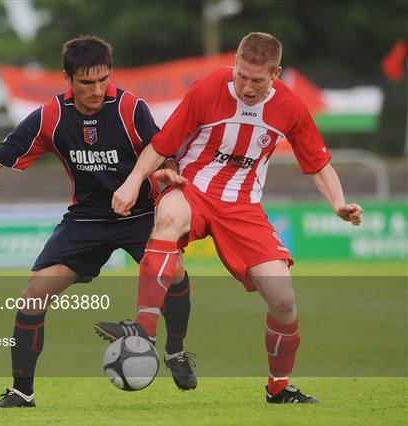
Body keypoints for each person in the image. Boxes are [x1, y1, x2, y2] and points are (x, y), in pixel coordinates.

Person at [0, 35, 196, 409]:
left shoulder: (131, 108)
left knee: (175, 272)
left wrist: (167, 172)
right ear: (67, 80)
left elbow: (163, 153)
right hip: (86, 219)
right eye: (87, 82)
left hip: (141, 213)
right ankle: (22, 391)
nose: (97, 90)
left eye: (104, 80)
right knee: (33, 296)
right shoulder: (49, 117)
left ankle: (176, 352)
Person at [95, 32, 363, 404]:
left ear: (276, 74)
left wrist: (338, 203)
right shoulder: (207, 89)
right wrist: (132, 182)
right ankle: (143, 330)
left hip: (244, 208)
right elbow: (161, 145)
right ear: (234, 65)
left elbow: (318, 164)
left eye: (257, 80)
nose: (247, 87)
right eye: (241, 76)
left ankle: (279, 387)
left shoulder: (290, 107)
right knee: (169, 216)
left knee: (284, 302)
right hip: (194, 190)